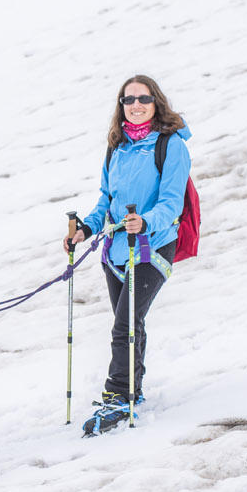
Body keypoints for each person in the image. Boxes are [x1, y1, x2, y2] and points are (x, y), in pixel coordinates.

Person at [63, 74, 191, 426]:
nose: (136, 106)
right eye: (128, 100)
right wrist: (86, 229)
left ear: (156, 103)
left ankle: (117, 397)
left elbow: (171, 202)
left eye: (143, 99)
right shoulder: (116, 147)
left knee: (125, 325)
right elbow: (106, 198)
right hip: (116, 251)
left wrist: (146, 221)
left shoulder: (171, 145)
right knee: (131, 322)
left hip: (153, 246)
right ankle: (132, 388)